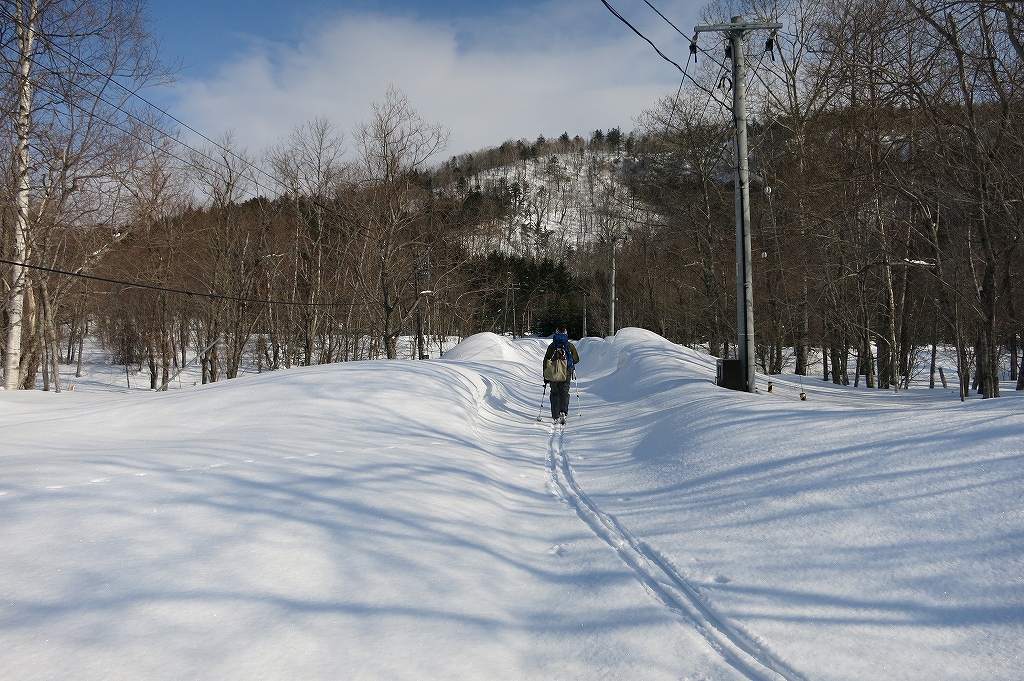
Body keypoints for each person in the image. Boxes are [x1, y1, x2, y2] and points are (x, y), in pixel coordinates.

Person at [543, 326, 579, 423]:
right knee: (564, 392)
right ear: (566, 334)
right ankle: (563, 411)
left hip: (553, 374)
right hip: (566, 373)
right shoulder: (570, 346)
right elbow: (576, 359)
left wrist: (545, 376)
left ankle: (555, 414)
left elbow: (546, 361)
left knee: (554, 393)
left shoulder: (552, 346)